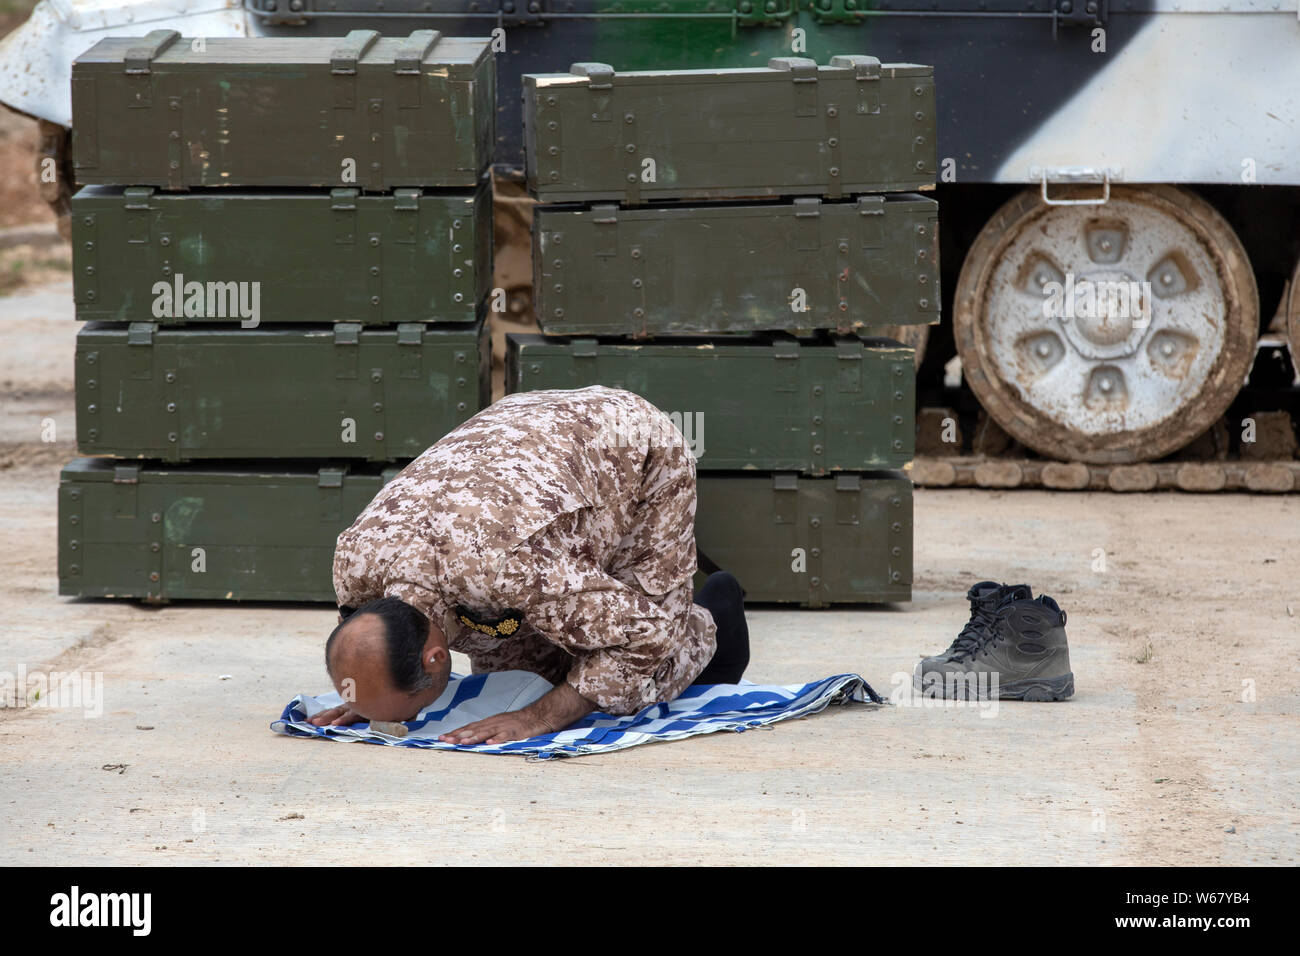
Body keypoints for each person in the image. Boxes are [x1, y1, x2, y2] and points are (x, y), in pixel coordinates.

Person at [309, 386, 750, 744]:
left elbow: (645, 635)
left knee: (622, 685)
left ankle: (717, 622)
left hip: (628, 442)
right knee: (525, 683)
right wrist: (368, 696)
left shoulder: (511, 571)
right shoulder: (356, 565)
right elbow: (366, 644)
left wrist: (541, 718)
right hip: (524, 433)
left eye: (415, 710)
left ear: (435, 656)